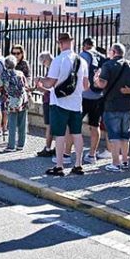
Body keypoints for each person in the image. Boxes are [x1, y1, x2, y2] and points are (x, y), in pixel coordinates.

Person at [36, 32, 89, 176]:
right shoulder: (82, 61)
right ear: (72, 42)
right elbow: (86, 86)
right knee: (77, 134)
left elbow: (50, 83)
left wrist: (40, 80)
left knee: (60, 135)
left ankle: (59, 166)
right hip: (77, 103)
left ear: (60, 43)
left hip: (59, 103)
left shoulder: (59, 60)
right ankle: (78, 165)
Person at [95, 43, 130, 172]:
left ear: (114, 52)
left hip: (111, 104)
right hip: (126, 105)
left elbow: (102, 84)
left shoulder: (108, 65)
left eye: (110, 51)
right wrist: (129, 90)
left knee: (114, 135)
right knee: (125, 135)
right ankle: (125, 161)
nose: (109, 53)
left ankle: (115, 163)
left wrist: (96, 79)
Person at [80, 37, 108, 164]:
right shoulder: (102, 57)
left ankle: (67, 154)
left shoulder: (83, 56)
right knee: (95, 125)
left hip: (84, 95)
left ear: (84, 46)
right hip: (99, 96)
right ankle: (92, 155)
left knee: (73, 125)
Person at [0, 55, 29, 151]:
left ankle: (11, 146)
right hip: (22, 100)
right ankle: (21, 144)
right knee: (22, 123)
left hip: (11, 101)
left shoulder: (3, 75)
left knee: (12, 123)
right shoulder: (20, 73)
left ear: (5, 65)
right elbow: (26, 86)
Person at [35, 51, 56, 157]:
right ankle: (55, 147)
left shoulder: (52, 70)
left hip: (49, 101)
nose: (44, 65)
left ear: (46, 60)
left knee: (49, 126)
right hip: (54, 100)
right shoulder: (57, 67)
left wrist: (39, 86)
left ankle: (47, 148)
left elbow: (49, 89)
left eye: (43, 63)